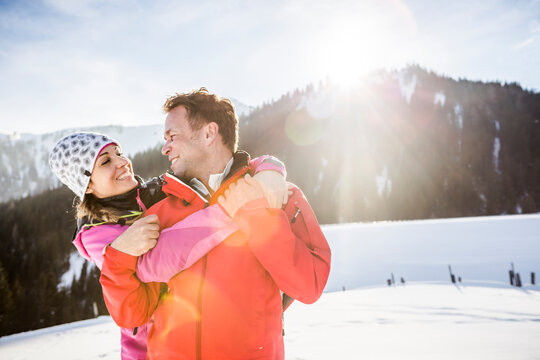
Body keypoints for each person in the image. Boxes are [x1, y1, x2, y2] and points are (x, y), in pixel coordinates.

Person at [99, 88, 332, 359]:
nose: (165, 148)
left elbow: (309, 286)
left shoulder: (278, 196)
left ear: (209, 133)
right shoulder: (157, 215)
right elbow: (131, 314)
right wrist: (117, 256)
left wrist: (254, 213)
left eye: (172, 136)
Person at [49, 131, 289, 360]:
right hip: (149, 349)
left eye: (119, 153)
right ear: (87, 186)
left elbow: (220, 169)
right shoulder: (97, 234)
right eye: (105, 162)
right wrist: (227, 212)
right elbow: (158, 259)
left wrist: (270, 169)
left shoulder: (152, 194)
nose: (122, 162)